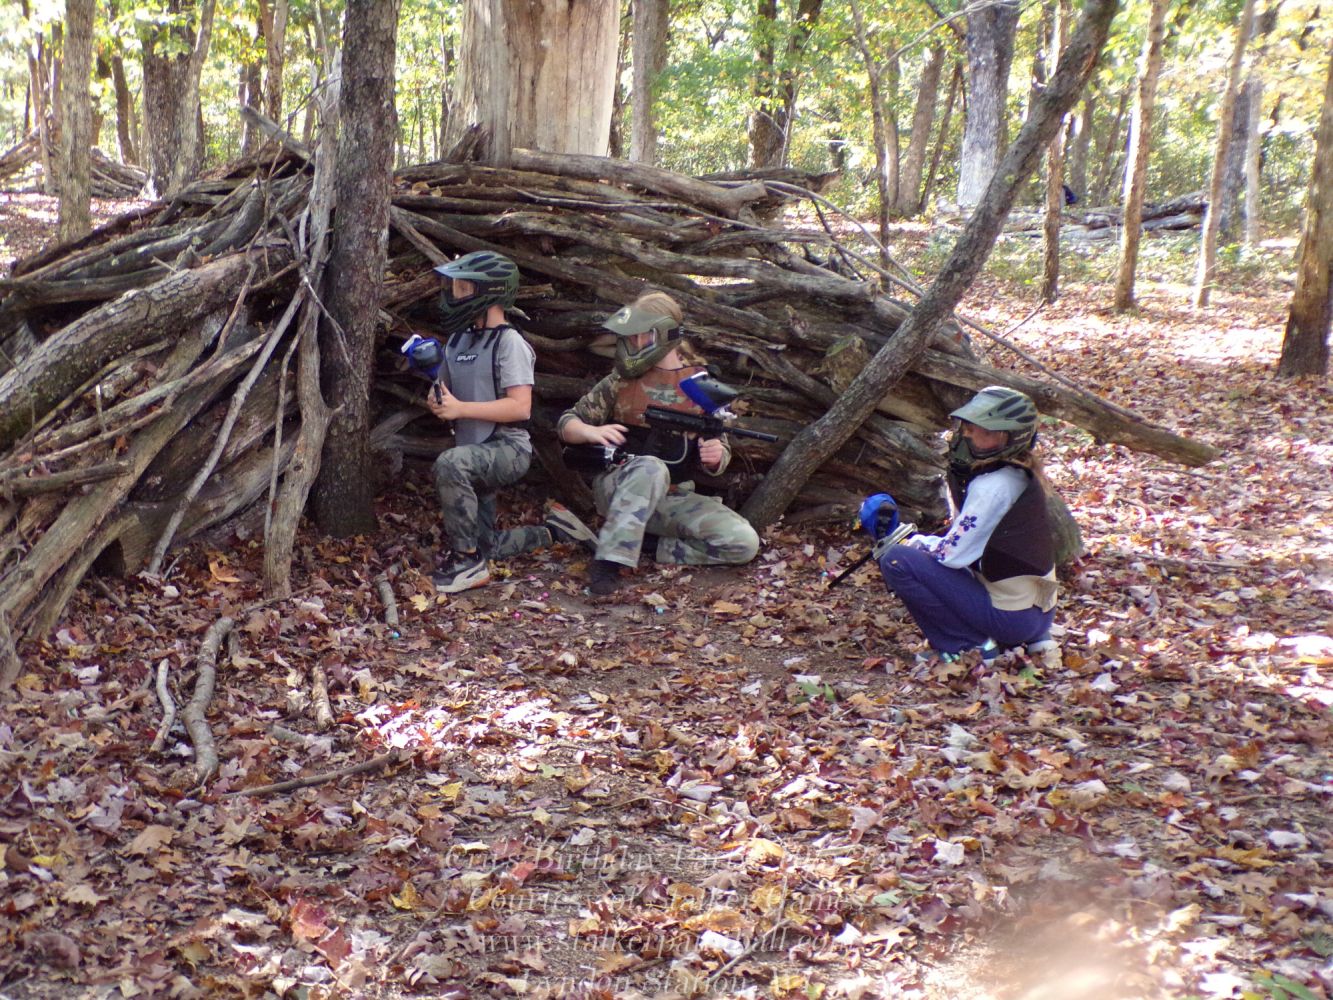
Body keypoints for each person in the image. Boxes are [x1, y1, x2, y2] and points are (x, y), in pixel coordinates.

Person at [556, 291, 760, 596]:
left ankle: (645, 545)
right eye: (633, 336)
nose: (636, 343)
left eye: (644, 336)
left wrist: (716, 456)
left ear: (665, 334)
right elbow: (566, 425)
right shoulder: (621, 381)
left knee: (743, 542)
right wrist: (589, 432)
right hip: (618, 490)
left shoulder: (700, 386)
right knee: (651, 468)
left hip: (673, 499)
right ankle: (608, 564)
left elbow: (719, 451)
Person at [424, 250, 598, 594]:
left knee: (451, 464)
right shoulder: (457, 341)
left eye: (463, 288)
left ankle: (467, 563)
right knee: (488, 544)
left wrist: (461, 409)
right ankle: (556, 532)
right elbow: (445, 392)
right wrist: (437, 399)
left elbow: (520, 407)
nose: (454, 295)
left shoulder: (510, 342)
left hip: (508, 448)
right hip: (474, 447)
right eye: (455, 287)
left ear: (490, 293)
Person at [877, 386, 1059, 664]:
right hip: (1040, 614)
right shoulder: (1023, 476)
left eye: (984, 432)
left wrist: (911, 541)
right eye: (969, 428)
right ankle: (1031, 640)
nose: (969, 436)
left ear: (1009, 438)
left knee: (896, 560)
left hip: (1013, 619)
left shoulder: (993, 486)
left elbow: (951, 555)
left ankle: (968, 646)